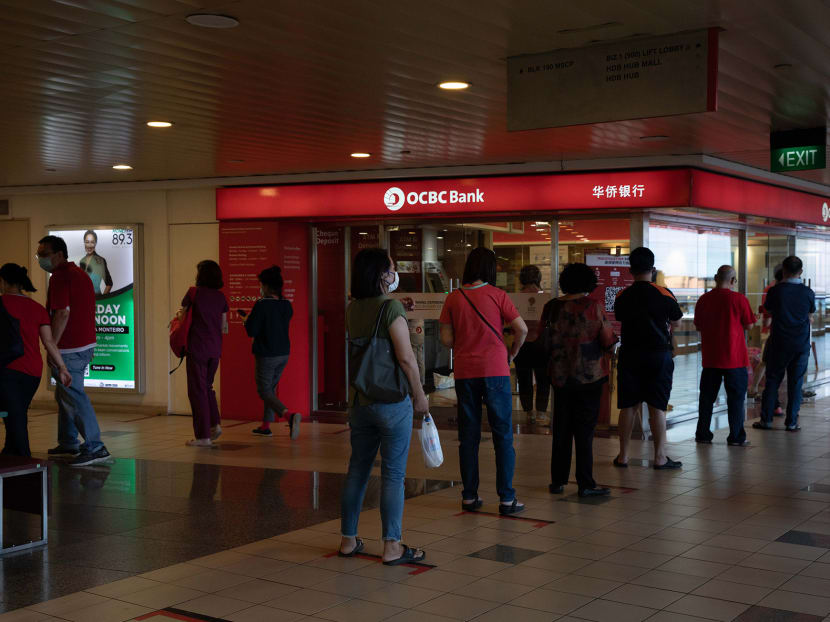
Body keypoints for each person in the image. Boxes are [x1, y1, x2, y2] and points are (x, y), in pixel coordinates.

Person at [339, 248, 427, 565]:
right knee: (393, 475)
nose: (394, 273)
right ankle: (392, 546)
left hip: (360, 401)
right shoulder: (390, 309)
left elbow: (374, 316)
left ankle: (348, 540)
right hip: (392, 402)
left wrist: (396, 304)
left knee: (357, 471)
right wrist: (419, 393)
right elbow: (405, 358)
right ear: (382, 275)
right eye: (391, 269)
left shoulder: (353, 309)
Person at [439, 247, 528, 514]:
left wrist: (465, 342)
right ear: (490, 269)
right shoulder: (498, 295)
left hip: (466, 371)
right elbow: (521, 329)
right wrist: (511, 352)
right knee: (502, 435)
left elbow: (446, 339)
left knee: (469, 436)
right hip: (496, 371)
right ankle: (507, 498)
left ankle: (469, 496)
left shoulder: (453, 298)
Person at [37, 235, 111, 466]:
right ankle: (69, 441)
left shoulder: (61, 276)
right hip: (84, 343)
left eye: (44, 254)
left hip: (70, 346)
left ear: (59, 254)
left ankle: (95, 446)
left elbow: (62, 313)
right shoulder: (79, 273)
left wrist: (53, 347)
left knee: (73, 395)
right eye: (38, 254)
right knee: (65, 394)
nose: (41, 258)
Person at [544, 263, 615, 498]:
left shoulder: (552, 307)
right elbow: (607, 340)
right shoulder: (593, 307)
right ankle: (585, 483)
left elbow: (544, 340)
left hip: (560, 376)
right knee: (584, 432)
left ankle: (558, 480)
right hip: (590, 377)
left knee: (562, 428)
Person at [613, 247, 683, 470]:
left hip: (630, 355)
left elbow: (620, 317)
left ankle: (623, 456)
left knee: (628, 406)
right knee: (657, 407)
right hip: (658, 355)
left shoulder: (622, 295)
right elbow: (677, 321)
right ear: (653, 269)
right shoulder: (664, 293)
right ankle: (660, 457)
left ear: (631, 270)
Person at [0, 264, 72, 457]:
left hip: (8, 369)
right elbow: (49, 341)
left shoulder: (2, 303)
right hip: (32, 371)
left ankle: (24, 458)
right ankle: (9, 452)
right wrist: (62, 368)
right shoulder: (37, 308)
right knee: (16, 412)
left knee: (15, 415)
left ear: (4, 281)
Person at [694, 266, 756, 446]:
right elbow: (750, 325)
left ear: (715, 278)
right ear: (733, 280)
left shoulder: (704, 299)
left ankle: (703, 434)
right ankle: (736, 437)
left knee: (706, 398)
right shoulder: (739, 299)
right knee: (736, 399)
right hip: (734, 358)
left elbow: (698, 326)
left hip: (711, 358)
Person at [753, 255, 815, 432]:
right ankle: (792, 422)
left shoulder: (776, 291)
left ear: (784, 271)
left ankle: (766, 420)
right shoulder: (807, 292)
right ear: (801, 272)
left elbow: (769, 309)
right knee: (796, 383)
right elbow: (811, 312)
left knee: (772, 381)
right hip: (801, 345)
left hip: (779, 342)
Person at [245, 265, 301, 439]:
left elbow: (251, 330)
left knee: (264, 391)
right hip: (283, 353)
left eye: (261, 285)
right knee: (271, 389)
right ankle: (265, 426)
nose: (260, 288)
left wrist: (246, 320)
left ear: (267, 286)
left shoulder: (262, 305)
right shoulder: (286, 305)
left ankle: (289, 416)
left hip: (267, 353)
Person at [182, 260, 228, 447]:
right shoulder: (221, 297)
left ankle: (203, 436)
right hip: (215, 349)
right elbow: (224, 327)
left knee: (197, 390)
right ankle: (214, 424)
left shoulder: (194, 293)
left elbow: (182, 317)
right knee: (207, 387)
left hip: (197, 348)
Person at [514, 264, 550, 425]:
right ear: (539, 278)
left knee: (524, 379)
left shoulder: (516, 297)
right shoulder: (546, 297)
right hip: (542, 342)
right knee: (543, 379)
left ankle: (529, 412)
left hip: (521, 343)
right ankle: (541, 412)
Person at [749, 266, 783, 404]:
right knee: (765, 361)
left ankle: (756, 388)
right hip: (771, 331)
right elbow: (768, 316)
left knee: (766, 361)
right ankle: (755, 388)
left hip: (770, 329)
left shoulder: (770, 289)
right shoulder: (773, 290)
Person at [79, 230, 113, 295]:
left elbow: (109, 283)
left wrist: (102, 300)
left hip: (96, 300)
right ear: (84, 243)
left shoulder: (100, 261)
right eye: (87, 242)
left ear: (95, 243)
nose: (89, 245)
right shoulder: (82, 261)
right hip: (83, 300)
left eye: (92, 242)